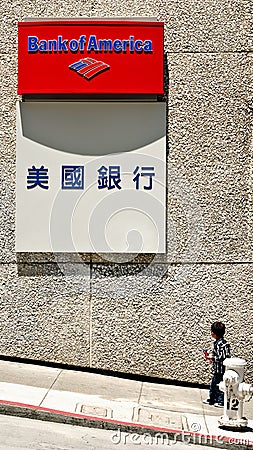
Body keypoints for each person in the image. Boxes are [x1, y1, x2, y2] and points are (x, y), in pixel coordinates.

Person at [203, 321, 231, 407]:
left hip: (221, 370)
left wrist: (211, 357)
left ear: (214, 333)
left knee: (219, 386)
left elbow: (222, 358)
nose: (211, 333)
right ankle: (213, 399)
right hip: (218, 369)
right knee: (214, 384)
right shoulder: (221, 343)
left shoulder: (220, 344)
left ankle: (220, 401)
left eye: (212, 332)